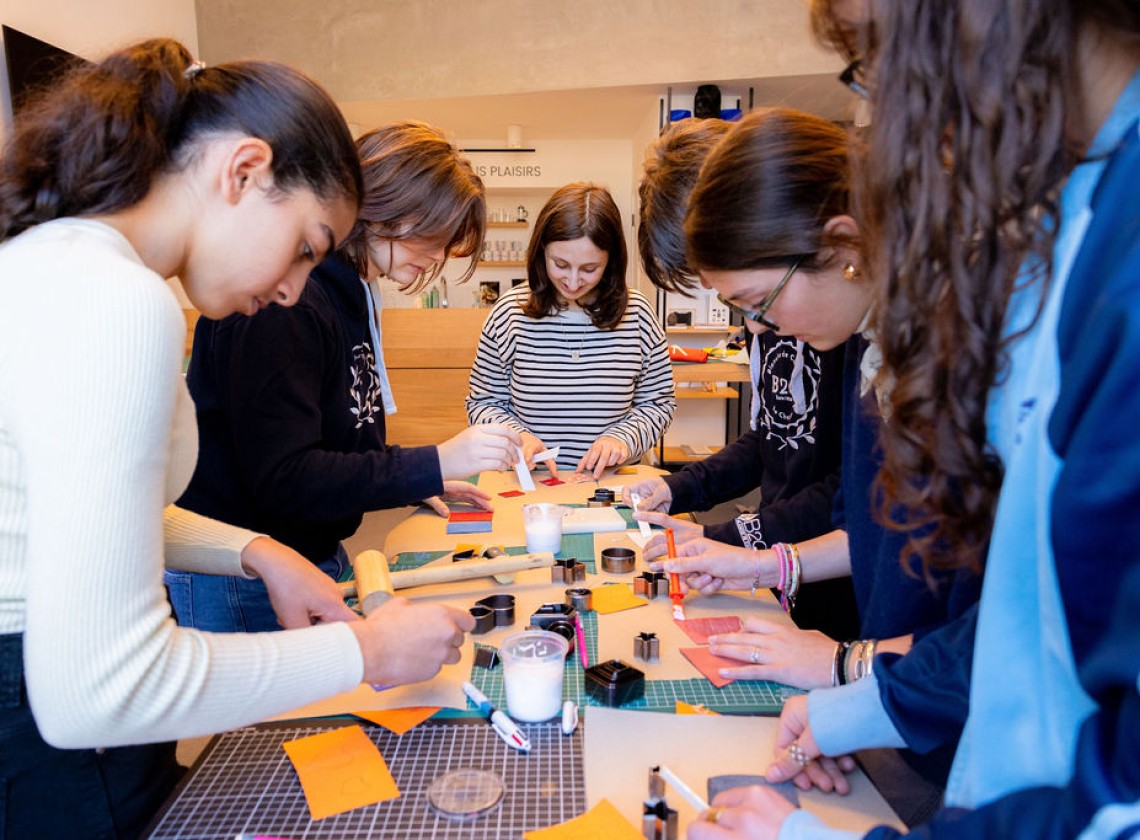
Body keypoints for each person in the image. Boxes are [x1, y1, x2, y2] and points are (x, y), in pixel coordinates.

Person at [0, 40, 474, 837]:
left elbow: (77, 516)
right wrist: (368, 652)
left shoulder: (62, 266)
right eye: (306, 247)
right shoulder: (114, 300)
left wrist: (254, 552)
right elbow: (99, 692)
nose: (293, 289)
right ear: (244, 171)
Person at [691, 1, 1140, 837]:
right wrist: (863, 702)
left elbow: (1118, 780)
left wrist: (847, 674)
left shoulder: (1096, 259)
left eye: (881, 54)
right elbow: (1021, 615)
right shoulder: (1085, 214)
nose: (888, 113)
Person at [635, 108, 978, 824]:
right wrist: (763, 567)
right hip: (901, 699)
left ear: (842, 244)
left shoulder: (966, 351)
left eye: (757, 303)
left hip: (960, 732)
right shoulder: (867, 339)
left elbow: (1006, 634)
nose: (760, 329)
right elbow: (865, 522)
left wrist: (844, 666)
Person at [171, 120, 521, 633]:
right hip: (243, 574)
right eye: (433, 237)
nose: (437, 258)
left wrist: (414, 479)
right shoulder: (287, 300)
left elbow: (338, 440)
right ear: (384, 204)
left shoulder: (352, 290)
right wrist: (436, 460)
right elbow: (285, 478)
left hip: (307, 552)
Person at [629, 117, 858, 642]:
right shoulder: (778, 311)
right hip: (796, 565)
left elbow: (854, 498)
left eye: (751, 297)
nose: (753, 323)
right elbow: (771, 439)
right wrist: (679, 489)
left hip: (837, 579)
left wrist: (736, 539)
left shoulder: (838, 320)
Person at [467, 182, 676, 478]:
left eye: (590, 269)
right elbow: (483, 402)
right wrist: (518, 438)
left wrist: (622, 440)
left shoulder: (638, 314)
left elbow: (658, 404)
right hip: (530, 482)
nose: (573, 281)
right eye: (561, 264)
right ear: (541, 251)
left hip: (610, 485)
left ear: (611, 261)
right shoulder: (509, 312)